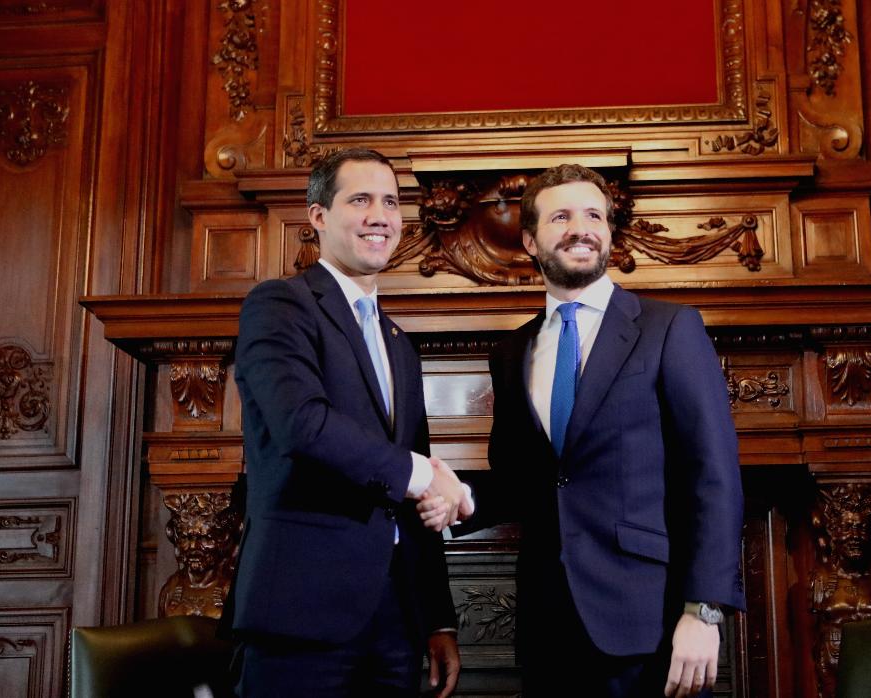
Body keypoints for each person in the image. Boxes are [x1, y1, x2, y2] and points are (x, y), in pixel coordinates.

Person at [467, 163, 745, 697]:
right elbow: (518, 483)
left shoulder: (670, 327)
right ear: (530, 240)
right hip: (549, 626)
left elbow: (713, 475)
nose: (582, 227)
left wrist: (704, 610)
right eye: (562, 216)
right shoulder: (510, 352)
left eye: (594, 215)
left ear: (610, 234)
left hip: (653, 624)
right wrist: (440, 491)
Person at [229, 148, 470, 697]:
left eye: (390, 201)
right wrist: (423, 476)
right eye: (360, 199)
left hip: (393, 624)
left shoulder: (399, 345)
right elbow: (302, 424)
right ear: (318, 216)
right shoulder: (279, 306)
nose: (380, 215)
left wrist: (437, 618)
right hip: (299, 614)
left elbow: (415, 483)